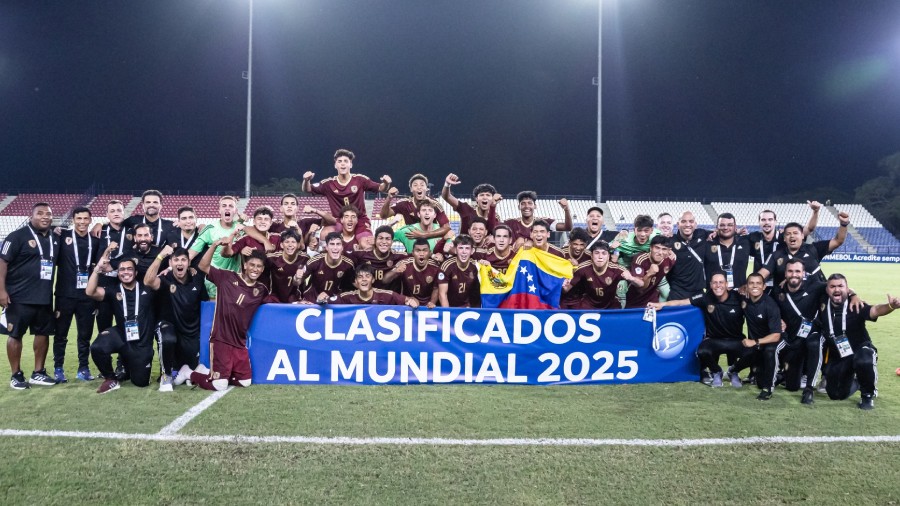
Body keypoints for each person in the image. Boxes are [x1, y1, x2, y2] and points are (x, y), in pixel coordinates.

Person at [174, 240, 273, 391]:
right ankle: (188, 373)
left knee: (245, 381)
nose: (255, 269)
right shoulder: (227, 278)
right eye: (252, 265)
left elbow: (277, 300)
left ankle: (207, 372)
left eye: (259, 266)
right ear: (245, 265)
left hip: (240, 342)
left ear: (262, 269)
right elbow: (202, 266)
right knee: (219, 386)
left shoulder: (261, 290)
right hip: (221, 339)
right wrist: (214, 246)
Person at [774, 259, 860, 404]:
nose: (794, 274)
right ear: (785, 273)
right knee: (792, 387)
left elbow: (837, 289)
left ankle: (809, 389)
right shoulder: (778, 291)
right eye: (790, 271)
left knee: (815, 343)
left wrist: (854, 295)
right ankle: (785, 375)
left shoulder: (815, 287)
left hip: (812, 334)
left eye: (797, 271)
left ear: (803, 274)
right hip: (793, 341)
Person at [813, 274, 900, 410]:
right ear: (827, 289)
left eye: (841, 286)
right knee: (835, 394)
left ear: (847, 289)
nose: (837, 289)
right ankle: (859, 381)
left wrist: (890, 306)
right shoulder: (822, 303)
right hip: (840, 355)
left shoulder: (856, 304)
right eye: (833, 286)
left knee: (864, 360)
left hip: (861, 349)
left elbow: (875, 310)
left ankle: (868, 394)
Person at [650, 271, 747, 387]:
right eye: (715, 283)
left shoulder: (738, 297)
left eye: (721, 282)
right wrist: (662, 304)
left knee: (753, 351)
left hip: (735, 340)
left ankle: (733, 371)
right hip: (714, 339)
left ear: (727, 284)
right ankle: (717, 371)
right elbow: (682, 302)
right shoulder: (705, 297)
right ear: (710, 285)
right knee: (701, 351)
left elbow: (753, 297)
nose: (718, 285)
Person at [0, 202, 59, 389]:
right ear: (31, 216)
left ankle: (38, 373)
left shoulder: (55, 237)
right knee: (15, 334)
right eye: (40, 213)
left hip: (44, 297)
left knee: (43, 334)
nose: (45, 217)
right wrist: (1, 291)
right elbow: (2, 263)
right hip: (18, 297)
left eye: (48, 214)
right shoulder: (17, 236)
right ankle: (16, 375)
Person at [87, 253, 157, 394]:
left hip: (141, 344)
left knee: (141, 382)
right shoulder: (114, 290)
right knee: (97, 347)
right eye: (122, 269)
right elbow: (90, 292)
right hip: (122, 336)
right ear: (117, 273)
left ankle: (129, 366)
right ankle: (111, 378)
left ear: (136, 272)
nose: (126, 272)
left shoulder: (147, 288)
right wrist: (97, 270)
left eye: (129, 269)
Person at [144, 245, 208, 392]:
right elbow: (148, 281)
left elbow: (205, 306)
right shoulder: (165, 279)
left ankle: (181, 372)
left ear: (189, 263)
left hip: (190, 332)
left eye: (183, 260)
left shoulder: (197, 280)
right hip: (168, 326)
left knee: (190, 370)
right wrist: (160, 256)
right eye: (176, 260)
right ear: (170, 263)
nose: (179, 263)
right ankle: (165, 375)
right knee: (168, 338)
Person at [303, 148, 391, 248]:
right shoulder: (328, 184)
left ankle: (368, 263)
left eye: (346, 161)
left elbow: (381, 188)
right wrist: (306, 180)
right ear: (335, 165)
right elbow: (308, 189)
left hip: (360, 220)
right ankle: (324, 255)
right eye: (339, 161)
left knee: (366, 244)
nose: (343, 164)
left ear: (351, 164)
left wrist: (386, 183)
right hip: (339, 221)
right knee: (325, 233)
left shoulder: (360, 180)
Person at [52, 206, 100, 383]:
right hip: (64, 295)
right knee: (61, 334)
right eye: (78, 218)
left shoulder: (95, 242)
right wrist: (53, 228)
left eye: (85, 219)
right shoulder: (62, 236)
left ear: (90, 220)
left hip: (87, 297)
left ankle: (83, 368)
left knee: (85, 335)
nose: (82, 222)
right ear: (73, 219)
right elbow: (47, 230)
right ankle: (58, 368)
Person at [726, 273, 782, 400]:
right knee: (744, 349)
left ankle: (768, 388)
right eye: (751, 283)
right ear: (746, 286)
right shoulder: (744, 299)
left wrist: (755, 341)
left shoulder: (770, 305)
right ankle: (733, 369)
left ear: (764, 287)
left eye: (758, 283)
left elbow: (776, 335)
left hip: (773, 342)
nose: (754, 286)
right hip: (757, 344)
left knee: (768, 352)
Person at [759, 213, 849, 288]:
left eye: (795, 233)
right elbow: (762, 274)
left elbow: (838, 241)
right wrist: (754, 284)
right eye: (788, 234)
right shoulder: (776, 255)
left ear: (802, 236)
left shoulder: (814, 249)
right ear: (784, 238)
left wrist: (843, 224)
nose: (792, 236)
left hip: (816, 300)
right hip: (787, 302)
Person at [746, 202, 821, 289]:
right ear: (759, 222)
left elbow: (809, 229)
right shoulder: (753, 238)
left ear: (775, 221)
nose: (767, 222)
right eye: (763, 220)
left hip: (780, 283)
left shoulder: (785, 237)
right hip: (761, 281)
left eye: (770, 220)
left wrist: (815, 212)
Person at [189, 195, 242, 297]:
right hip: (213, 281)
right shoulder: (210, 229)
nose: (227, 208)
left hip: (235, 282)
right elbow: (190, 254)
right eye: (224, 206)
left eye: (231, 206)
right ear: (219, 210)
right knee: (213, 311)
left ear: (235, 211)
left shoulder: (241, 229)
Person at [564, 241, 634, 309]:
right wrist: (563, 283)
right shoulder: (582, 268)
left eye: (604, 253)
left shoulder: (617, 269)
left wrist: (631, 278)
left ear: (608, 256)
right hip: (588, 305)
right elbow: (566, 289)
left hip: (610, 305)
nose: (600, 257)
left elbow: (640, 285)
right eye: (597, 253)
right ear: (591, 255)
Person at [380, 173, 451, 239]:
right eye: (415, 185)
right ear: (411, 189)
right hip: (411, 242)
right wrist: (389, 198)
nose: (419, 187)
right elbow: (383, 215)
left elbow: (446, 227)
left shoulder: (435, 204)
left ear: (426, 189)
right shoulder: (404, 203)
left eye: (422, 185)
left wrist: (424, 235)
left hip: (431, 240)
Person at [95, 200, 130, 330]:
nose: (116, 213)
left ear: (124, 213)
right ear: (107, 215)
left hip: (125, 284)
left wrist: (114, 265)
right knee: (104, 328)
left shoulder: (132, 231)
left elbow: (133, 255)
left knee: (126, 326)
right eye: (112, 211)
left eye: (119, 210)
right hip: (104, 285)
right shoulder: (99, 232)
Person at [665, 211, 711, 301]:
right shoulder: (670, 241)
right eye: (683, 221)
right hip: (677, 292)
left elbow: (720, 233)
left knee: (699, 315)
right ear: (678, 224)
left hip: (698, 291)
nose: (687, 224)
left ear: (695, 224)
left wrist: (737, 232)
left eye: (691, 221)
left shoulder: (702, 234)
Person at [383, 239, 441, 308]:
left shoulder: (435, 267)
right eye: (418, 250)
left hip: (428, 307)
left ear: (429, 253)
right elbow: (385, 280)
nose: (421, 254)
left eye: (425, 250)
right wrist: (396, 271)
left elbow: (436, 288)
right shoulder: (404, 264)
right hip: (408, 305)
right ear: (413, 253)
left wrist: (432, 302)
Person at [299, 232, 355, 303]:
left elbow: (351, 289)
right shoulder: (315, 261)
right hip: (311, 301)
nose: (335, 248)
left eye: (338, 244)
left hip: (334, 303)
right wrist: (296, 277)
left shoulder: (348, 265)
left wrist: (335, 298)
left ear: (342, 248)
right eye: (332, 244)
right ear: (327, 248)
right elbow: (297, 282)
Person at [349, 225, 407, 292]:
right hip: (369, 300)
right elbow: (350, 278)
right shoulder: (361, 255)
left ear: (392, 242)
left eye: (387, 239)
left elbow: (418, 254)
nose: (384, 242)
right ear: (375, 240)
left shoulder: (400, 257)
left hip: (391, 300)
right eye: (381, 238)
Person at [503, 191, 572, 246]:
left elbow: (567, 227)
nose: (526, 206)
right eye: (523, 203)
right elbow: (493, 228)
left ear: (535, 206)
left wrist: (566, 210)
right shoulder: (510, 223)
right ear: (519, 207)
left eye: (530, 203)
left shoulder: (543, 222)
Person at [330, 264, 419, 306]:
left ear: (372, 280)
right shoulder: (347, 297)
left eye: (367, 276)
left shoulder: (386, 295)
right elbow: (327, 302)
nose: (364, 279)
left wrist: (413, 302)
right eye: (360, 277)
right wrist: (322, 299)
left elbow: (412, 300)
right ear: (356, 281)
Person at [703, 213, 751, 290]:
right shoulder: (707, 244)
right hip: (713, 295)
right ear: (716, 227)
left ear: (735, 227)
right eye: (722, 225)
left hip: (739, 295)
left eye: (730, 225)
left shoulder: (745, 243)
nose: (726, 227)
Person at [624, 235, 674, 309]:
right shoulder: (640, 259)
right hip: (634, 300)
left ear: (668, 251)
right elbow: (641, 287)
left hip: (652, 300)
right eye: (657, 248)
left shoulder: (670, 260)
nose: (660, 252)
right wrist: (649, 274)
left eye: (664, 249)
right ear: (651, 248)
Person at [438, 235, 481, 308]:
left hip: (466, 307)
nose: (464, 252)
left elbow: (476, 294)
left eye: (467, 248)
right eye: (461, 248)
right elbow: (442, 294)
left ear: (472, 251)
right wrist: (448, 313)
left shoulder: (475, 266)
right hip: (449, 307)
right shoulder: (446, 266)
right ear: (455, 250)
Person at [266, 230, 308, 303]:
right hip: (275, 298)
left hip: (296, 299)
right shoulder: (272, 258)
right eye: (287, 242)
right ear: (281, 245)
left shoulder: (305, 258)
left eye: (293, 242)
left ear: (298, 245)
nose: (290, 245)